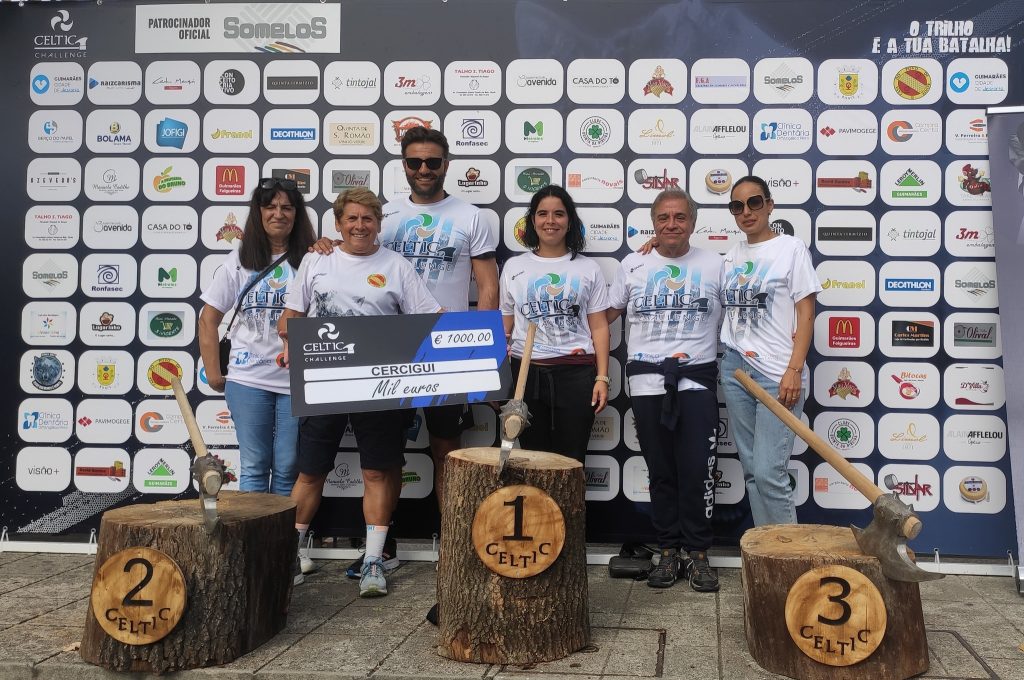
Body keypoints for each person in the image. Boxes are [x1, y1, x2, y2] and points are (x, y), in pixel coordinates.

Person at [310, 126, 499, 584]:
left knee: (447, 450)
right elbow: (354, 251)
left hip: (445, 349)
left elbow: (488, 287)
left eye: (432, 162)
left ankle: (454, 544)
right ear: (404, 165)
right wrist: (323, 245)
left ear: (446, 164)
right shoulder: (387, 214)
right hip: (385, 352)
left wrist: (482, 350)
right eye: (415, 162)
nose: (424, 169)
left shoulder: (471, 216)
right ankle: (383, 548)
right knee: (385, 455)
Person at [279, 187, 441, 596]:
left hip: (380, 386)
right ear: (338, 224)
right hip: (324, 383)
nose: (359, 225)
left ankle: (373, 560)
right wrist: (290, 343)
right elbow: (290, 317)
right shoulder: (317, 259)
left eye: (368, 218)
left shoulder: (397, 266)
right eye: (351, 218)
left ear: (378, 224)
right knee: (311, 472)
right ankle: (288, 556)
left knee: (376, 472)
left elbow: (429, 319)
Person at [606, 187, 722, 591]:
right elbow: (604, 315)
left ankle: (698, 553)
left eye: (680, 217)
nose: (672, 224)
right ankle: (669, 550)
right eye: (663, 218)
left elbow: (744, 316)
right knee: (660, 472)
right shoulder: (633, 264)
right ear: (653, 223)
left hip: (696, 380)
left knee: (697, 471)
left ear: (693, 222)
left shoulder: (716, 264)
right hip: (647, 382)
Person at [198, 178, 315, 496]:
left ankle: (280, 531)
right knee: (254, 465)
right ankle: (255, 531)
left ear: (297, 214)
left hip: (297, 381)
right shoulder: (239, 260)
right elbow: (208, 319)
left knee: (288, 467)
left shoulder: (313, 259)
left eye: (287, 207)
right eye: (270, 206)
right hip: (248, 378)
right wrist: (213, 371)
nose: (279, 214)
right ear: (258, 212)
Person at [719, 176, 820, 526]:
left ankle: (787, 554)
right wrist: (657, 243)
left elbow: (806, 313)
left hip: (778, 373)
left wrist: (794, 369)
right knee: (751, 472)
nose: (746, 212)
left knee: (769, 472)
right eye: (737, 206)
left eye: (754, 202)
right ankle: (766, 550)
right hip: (736, 370)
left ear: (769, 205)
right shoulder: (732, 256)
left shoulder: (791, 249)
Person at [499, 184, 610, 461]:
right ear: (532, 220)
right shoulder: (513, 267)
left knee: (572, 460)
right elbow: (505, 326)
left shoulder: (588, 269)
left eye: (559, 214)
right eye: (542, 214)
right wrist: (498, 377)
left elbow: (599, 326)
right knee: (531, 460)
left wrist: (602, 377)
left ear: (569, 221)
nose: (550, 221)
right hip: (526, 374)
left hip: (575, 374)